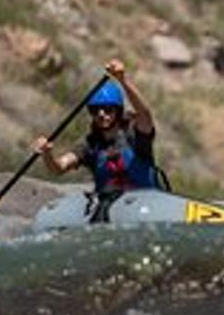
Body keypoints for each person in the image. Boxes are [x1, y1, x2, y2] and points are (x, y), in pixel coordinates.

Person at [33, 59, 162, 216]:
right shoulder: (89, 144)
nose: (102, 114)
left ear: (118, 111)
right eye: (95, 110)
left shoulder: (134, 133)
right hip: (110, 208)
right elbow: (58, 168)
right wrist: (47, 154)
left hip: (148, 206)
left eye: (108, 109)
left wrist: (123, 80)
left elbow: (144, 114)